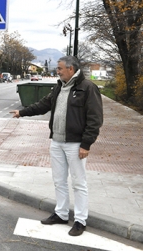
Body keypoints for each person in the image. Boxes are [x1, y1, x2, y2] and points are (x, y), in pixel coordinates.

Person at [10, 56, 103, 236]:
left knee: (79, 183)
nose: (57, 71)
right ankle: (61, 214)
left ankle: (80, 220)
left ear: (71, 69)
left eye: (60, 69)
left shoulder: (88, 88)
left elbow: (95, 119)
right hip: (57, 142)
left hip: (76, 144)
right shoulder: (59, 87)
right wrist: (22, 112)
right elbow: (43, 105)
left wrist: (86, 144)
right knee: (59, 180)